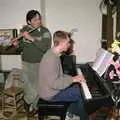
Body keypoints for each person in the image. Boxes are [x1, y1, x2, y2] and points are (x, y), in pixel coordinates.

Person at [38, 31, 88, 120]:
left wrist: (74, 78)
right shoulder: (51, 59)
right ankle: (79, 115)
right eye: (68, 42)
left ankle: (72, 111)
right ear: (61, 43)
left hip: (51, 89)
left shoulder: (54, 54)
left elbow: (59, 76)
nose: (69, 44)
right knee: (82, 93)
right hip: (50, 94)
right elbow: (55, 84)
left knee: (79, 88)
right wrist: (72, 79)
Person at [12, 10, 52, 114]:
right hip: (26, 63)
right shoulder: (24, 30)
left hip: (40, 63)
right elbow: (21, 48)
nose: (39, 21)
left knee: (38, 86)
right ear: (29, 22)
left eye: (39, 19)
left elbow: (45, 48)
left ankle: (31, 104)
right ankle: (31, 103)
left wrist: (31, 38)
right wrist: (17, 45)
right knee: (28, 86)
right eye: (35, 19)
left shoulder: (45, 31)